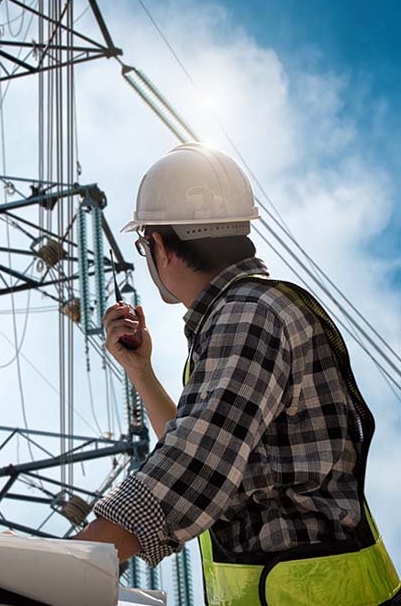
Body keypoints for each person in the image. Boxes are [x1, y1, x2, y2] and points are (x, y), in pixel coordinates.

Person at [75, 143, 400, 605]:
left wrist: (65, 564)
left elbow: (194, 468)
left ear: (160, 247)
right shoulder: (248, 314)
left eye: (145, 244)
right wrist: (142, 374)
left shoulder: (246, 316)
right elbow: (218, 451)